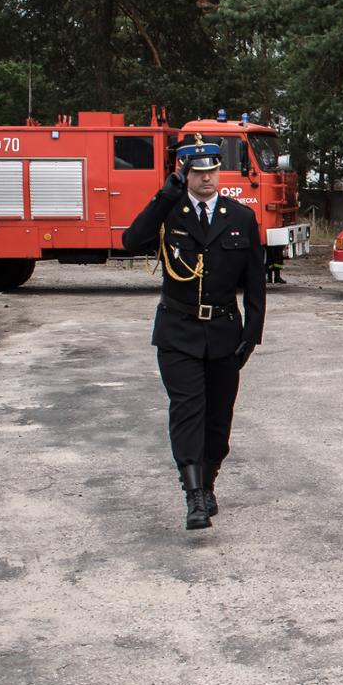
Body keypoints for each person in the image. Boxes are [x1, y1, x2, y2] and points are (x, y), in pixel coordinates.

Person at [122, 136, 266, 530]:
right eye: (198, 172)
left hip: (223, 330)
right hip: (178, 330)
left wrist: (252, 333)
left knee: (219, 417)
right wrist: (163, 198)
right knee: (188, 410)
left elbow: (255, 281)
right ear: (185, 173)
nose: (207, 178)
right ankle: (194, 494)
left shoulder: (239, 217)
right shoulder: (171, 212)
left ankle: (209, 480)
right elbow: (130, 241)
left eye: (212, 171)